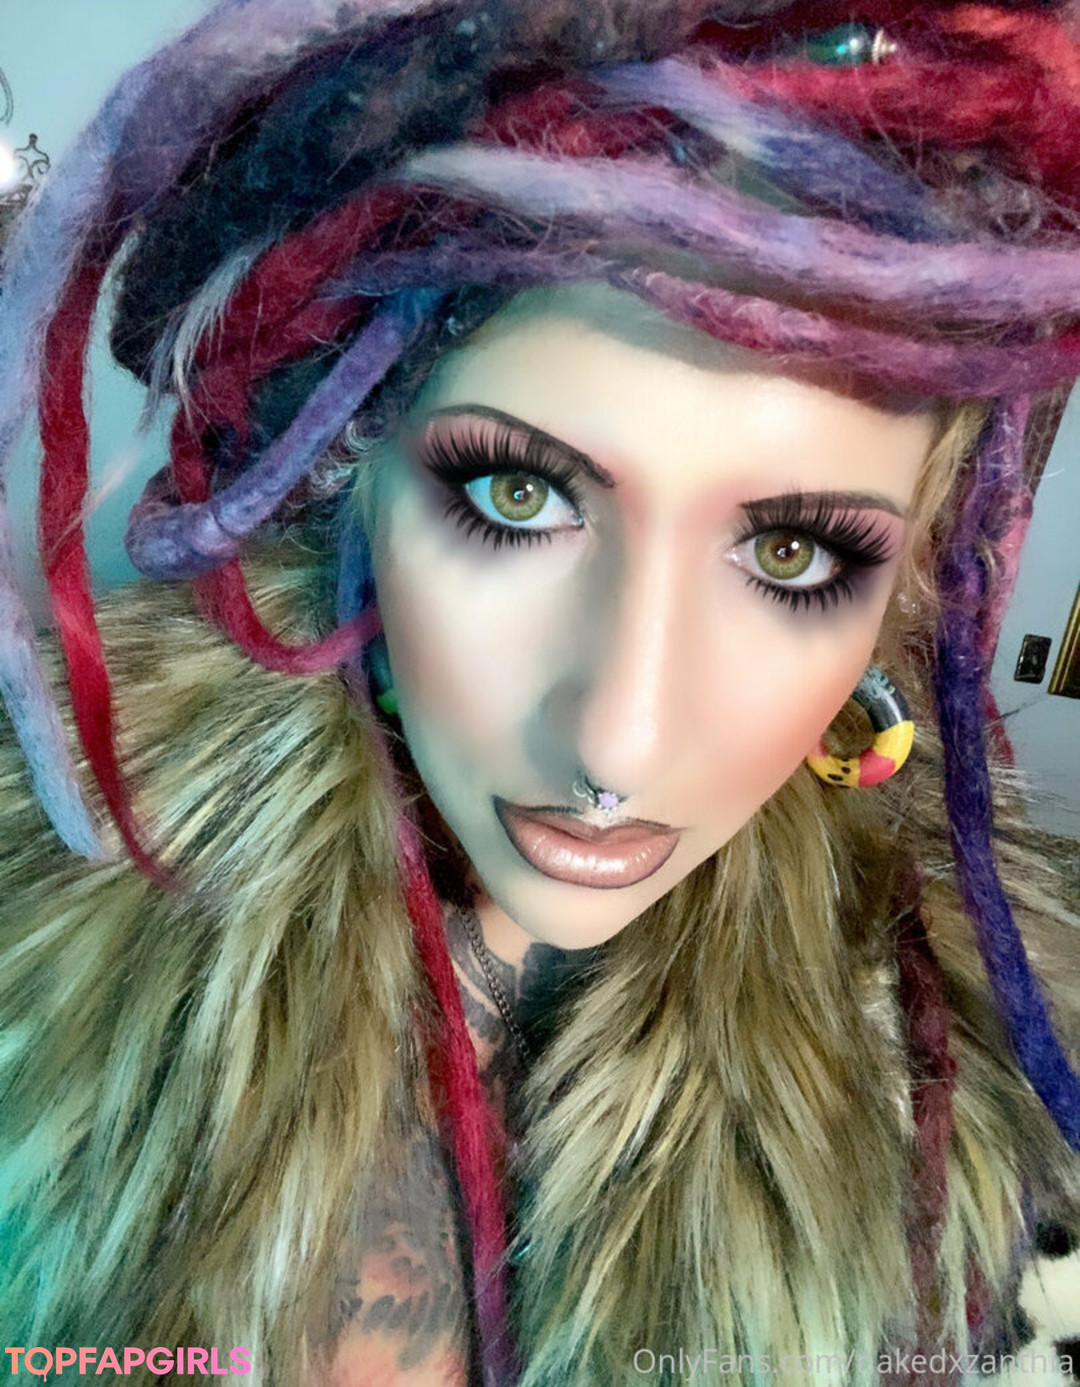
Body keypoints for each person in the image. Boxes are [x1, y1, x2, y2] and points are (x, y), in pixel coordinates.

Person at [1, 1, 1079, 1383]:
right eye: (519, 497)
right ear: (350, 477)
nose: (619, 741)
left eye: (792, 553)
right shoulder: (37, 960)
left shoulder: (961, 1120)